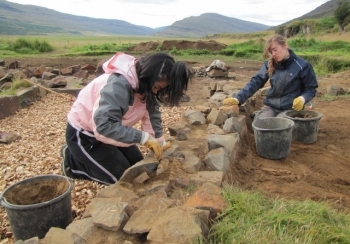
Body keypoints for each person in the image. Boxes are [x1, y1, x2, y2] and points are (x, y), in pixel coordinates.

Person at [60, 52, 191, 185]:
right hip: (86, 135)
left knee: (138, 168)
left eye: (160, 89)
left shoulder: (145, 84)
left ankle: (92, 157)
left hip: (112, 129)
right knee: (121, 180)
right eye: (156, 87)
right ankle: (73, 163)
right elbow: (103, 126)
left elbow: (151, 113)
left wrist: (159, 141)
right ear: (148, 76)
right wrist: (143, 138)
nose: (156, 92)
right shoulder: (118, 85)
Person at [222, 34, 318, 120]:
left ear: (285, 46)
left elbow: (311, 89)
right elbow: (256, 81)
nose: (273, 54)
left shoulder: (302, 65)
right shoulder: (269, 64)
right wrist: (238, 98)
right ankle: (259, 115)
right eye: (271, 52)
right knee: (260, 124)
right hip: (271, 106)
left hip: (290, 108)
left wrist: (303, 99)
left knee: (278, 126)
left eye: (275, 50)